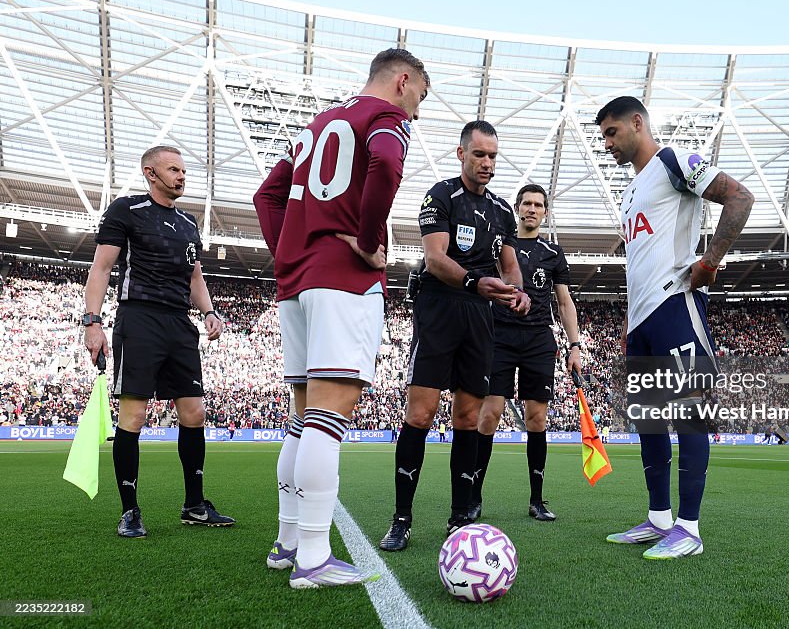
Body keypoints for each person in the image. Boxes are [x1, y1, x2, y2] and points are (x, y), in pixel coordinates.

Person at [253, 48, 429, 587]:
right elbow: (387, 164)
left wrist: (291, 255)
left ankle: (287, 542)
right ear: (402, 81)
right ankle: (312, 558)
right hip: (343, 279)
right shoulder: (384, 117)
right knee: (327, 418)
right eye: (420, 97)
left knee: (301, 417)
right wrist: (369, 241)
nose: (417, 111)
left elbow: (266, 197)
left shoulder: (318, 124)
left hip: (297, 282)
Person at [597, 96, 753, 560]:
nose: (607, 144)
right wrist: (629, 322)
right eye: (602, 137)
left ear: (637, 123)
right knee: (647, 420)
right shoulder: (631, 190)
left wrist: (710, 261)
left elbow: (740, 198)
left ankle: (689, 528)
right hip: (642, 319)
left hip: (675, 305)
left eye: (611, 133)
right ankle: (659, 518)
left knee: (689, 414)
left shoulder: (674, 161)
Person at [379, 120, 531, 552]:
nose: (487, 163)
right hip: (440, 309)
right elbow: (435, 258)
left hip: (480, 317)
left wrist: (517, 291)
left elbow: (510, 266)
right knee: (421, 415)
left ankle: (460, 517)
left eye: (493, 156)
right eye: (479, 154)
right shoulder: (441, 196)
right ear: (462, 154)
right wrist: (475, 283)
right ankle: (402, 518)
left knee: (467, 418)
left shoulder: (502, 211)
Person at [83, 145, 234, 539]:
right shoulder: (126, 210)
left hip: (179, 323)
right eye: (173, 169)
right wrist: (92, 322)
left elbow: (195, 277)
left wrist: (209, 311)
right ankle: (130, 511)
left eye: (183, 170)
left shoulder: (188, 223)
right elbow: (101, 268)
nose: (181, 176)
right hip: (139, 319)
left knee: (195, 413)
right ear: (150, 173)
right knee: (133, 417)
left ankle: (194, 505)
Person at [471, 183, 582, 523]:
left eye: (538, 204)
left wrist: (575, 345)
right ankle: (472, 498)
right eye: (527, 203)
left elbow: (564, 302)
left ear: (545, 212)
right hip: (499, 337)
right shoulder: (499, 245)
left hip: (538, 340)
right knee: (489, 415)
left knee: (537, 419)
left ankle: (537, 500)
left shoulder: (553, 252)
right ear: (518, 208)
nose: (532, 209)